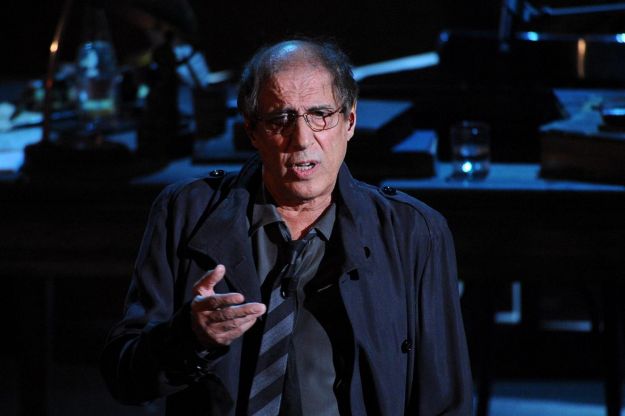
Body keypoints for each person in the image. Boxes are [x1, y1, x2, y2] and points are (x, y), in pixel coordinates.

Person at [101, 38, 473, 415]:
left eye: (320, 114)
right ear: (252, 130)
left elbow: (445, 401)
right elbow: (123, 376)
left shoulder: (414, 232)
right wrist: (189, 338)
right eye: (281, 119)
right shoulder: (185, 212)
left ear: (350, 122)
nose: (302, 139)